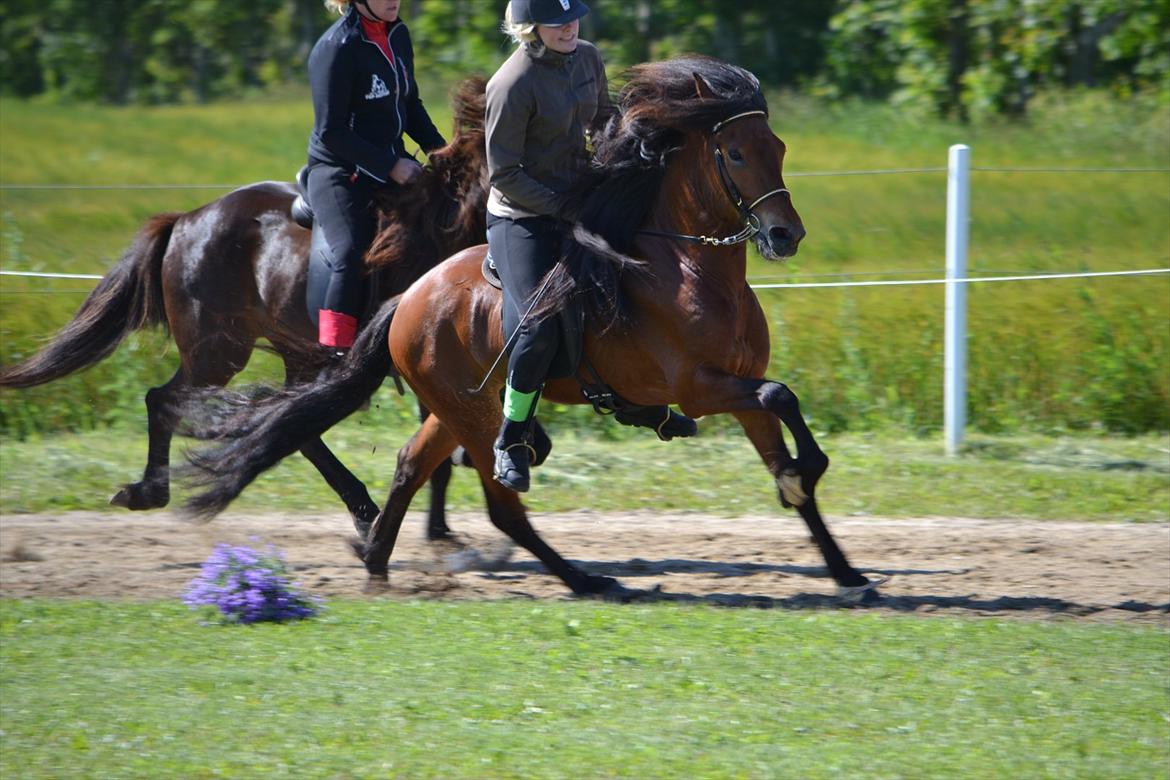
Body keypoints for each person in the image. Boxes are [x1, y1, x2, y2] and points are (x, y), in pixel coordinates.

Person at [485, 0, 695, 493]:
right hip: (522, 217)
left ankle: (635, 402)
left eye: (573, 16)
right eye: (557, 21)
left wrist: (632, 142)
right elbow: (504, 174)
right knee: (537, 326)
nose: (569, 26)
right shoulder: (510, 84)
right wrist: (563, 207)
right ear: (530, 27)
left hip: (578, 199)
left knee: (638, 280)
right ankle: (512, 438)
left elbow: (602, 119)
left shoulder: (588, 57)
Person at [304, 0, 445, 350]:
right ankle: (334, 355)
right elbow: (331, 133)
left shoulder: (398, 34)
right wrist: (390, 166)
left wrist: (442, 153)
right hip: (340, 170)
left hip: (393, 165)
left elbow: (410, 105)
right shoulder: (336, 49)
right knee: (350, 253)